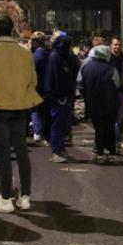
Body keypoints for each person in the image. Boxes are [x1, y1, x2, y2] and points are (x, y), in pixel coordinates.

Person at [0, 15, 42, 212]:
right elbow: (33, 80)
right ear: (12, 30)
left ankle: (5, 198)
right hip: (20, 107)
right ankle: (25, 196)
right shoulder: (24, 51)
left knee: (3, 155)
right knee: (22, 154)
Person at [78, 45, 120, 164]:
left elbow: (79, 83)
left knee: (98, 129)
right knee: (110, 128)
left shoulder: (86, 67)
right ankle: (111, 153)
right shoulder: (111, 69)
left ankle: (100, 153)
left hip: (93, 103)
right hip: (109, 103)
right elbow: (117, 84)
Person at [45, 33, 73, 163]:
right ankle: (56, 150)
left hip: (60, 96)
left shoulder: (59, 56)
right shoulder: (56, 57)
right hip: (57, 97)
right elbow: (56, 79)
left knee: (61, 124)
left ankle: (60, 148)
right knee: (57, 124)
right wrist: (61, 95)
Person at [29, 31, 50, 145]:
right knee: (45, 112)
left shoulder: (35, 57)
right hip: (48, 88)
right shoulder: (50, 54)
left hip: (37, 87)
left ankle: (38, 132)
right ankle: (45, 134)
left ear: (36, 42)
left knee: (36, 110)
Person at [110, 37, 123, 147]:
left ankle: (120, 138)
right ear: (111, 45)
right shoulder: (108, 58)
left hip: (121, 91)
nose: (117, 47)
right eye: (115, 44)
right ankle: (113, 139)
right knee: (111, 117)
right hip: (110, 92)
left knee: (120, 117)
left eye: (119, 45)